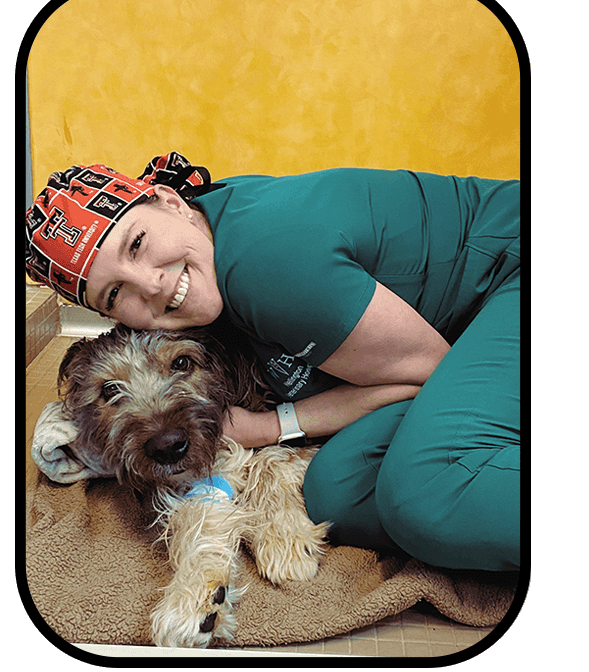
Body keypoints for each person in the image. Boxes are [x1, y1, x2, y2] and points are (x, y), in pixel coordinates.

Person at [25, 152, 518, 572]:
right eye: (115, 293)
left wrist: (266, 427)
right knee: (335, 492)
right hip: (465, 331)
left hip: (506, 277)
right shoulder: (207, 256)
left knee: (425, 496)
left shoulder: (266, 264)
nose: (150, 284)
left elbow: (427, 370)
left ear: (170, 203)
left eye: (138, 244)